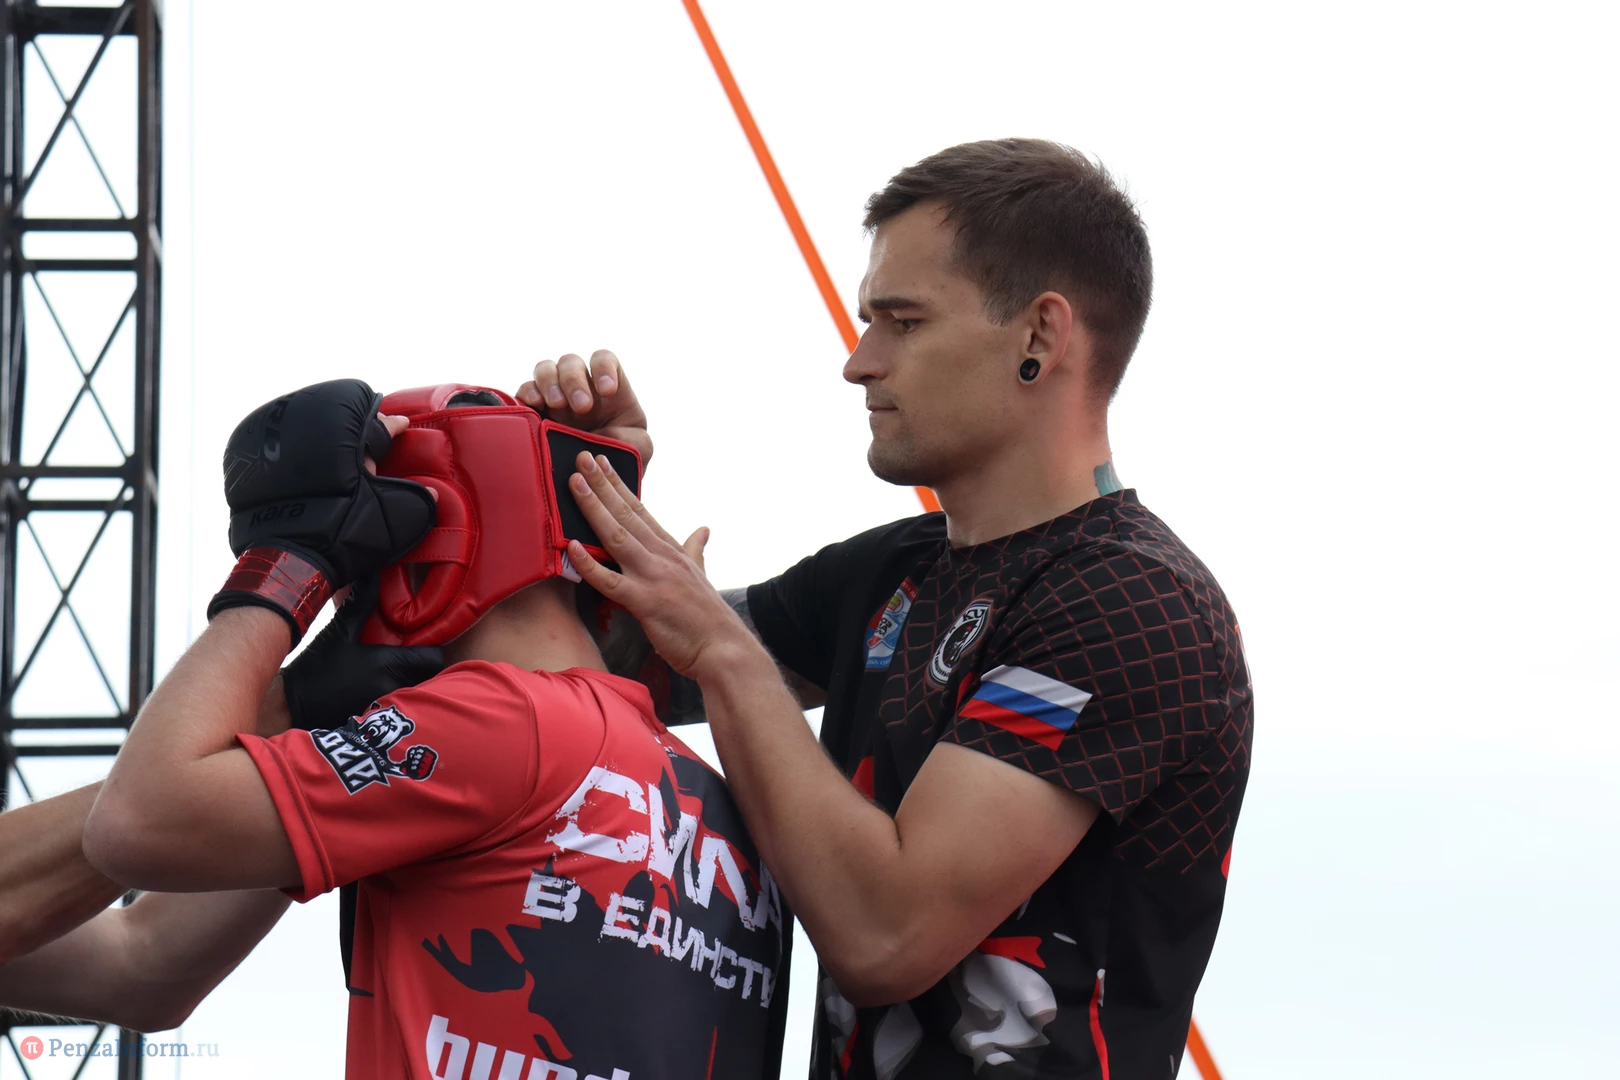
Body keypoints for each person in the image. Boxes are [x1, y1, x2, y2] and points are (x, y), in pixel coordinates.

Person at [518, 138, 1253, 1079]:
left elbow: (883, 932)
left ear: (1040, 337)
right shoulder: (890, 572)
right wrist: (579, 484)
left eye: (903, 321)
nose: (858, 363)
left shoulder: (1131, 601)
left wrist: (727, 655)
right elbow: (603, 668)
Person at [1, 380, 789, 1080]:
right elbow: (145, 964)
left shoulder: (496, 723)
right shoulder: (717, 802)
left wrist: (283, 569)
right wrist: (301, 707)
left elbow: (137, 824)